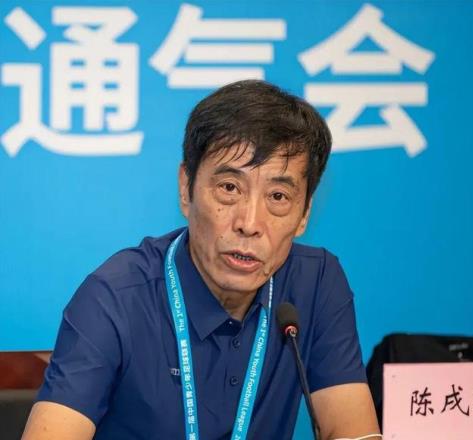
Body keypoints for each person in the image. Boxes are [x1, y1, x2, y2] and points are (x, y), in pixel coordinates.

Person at [22, 80, 380, 440]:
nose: (249, 223)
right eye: (229, 188)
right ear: (186, 187)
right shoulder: (115, 296)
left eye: (277, 196)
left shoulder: (316, 282)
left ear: (304, 215)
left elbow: (352, 430)